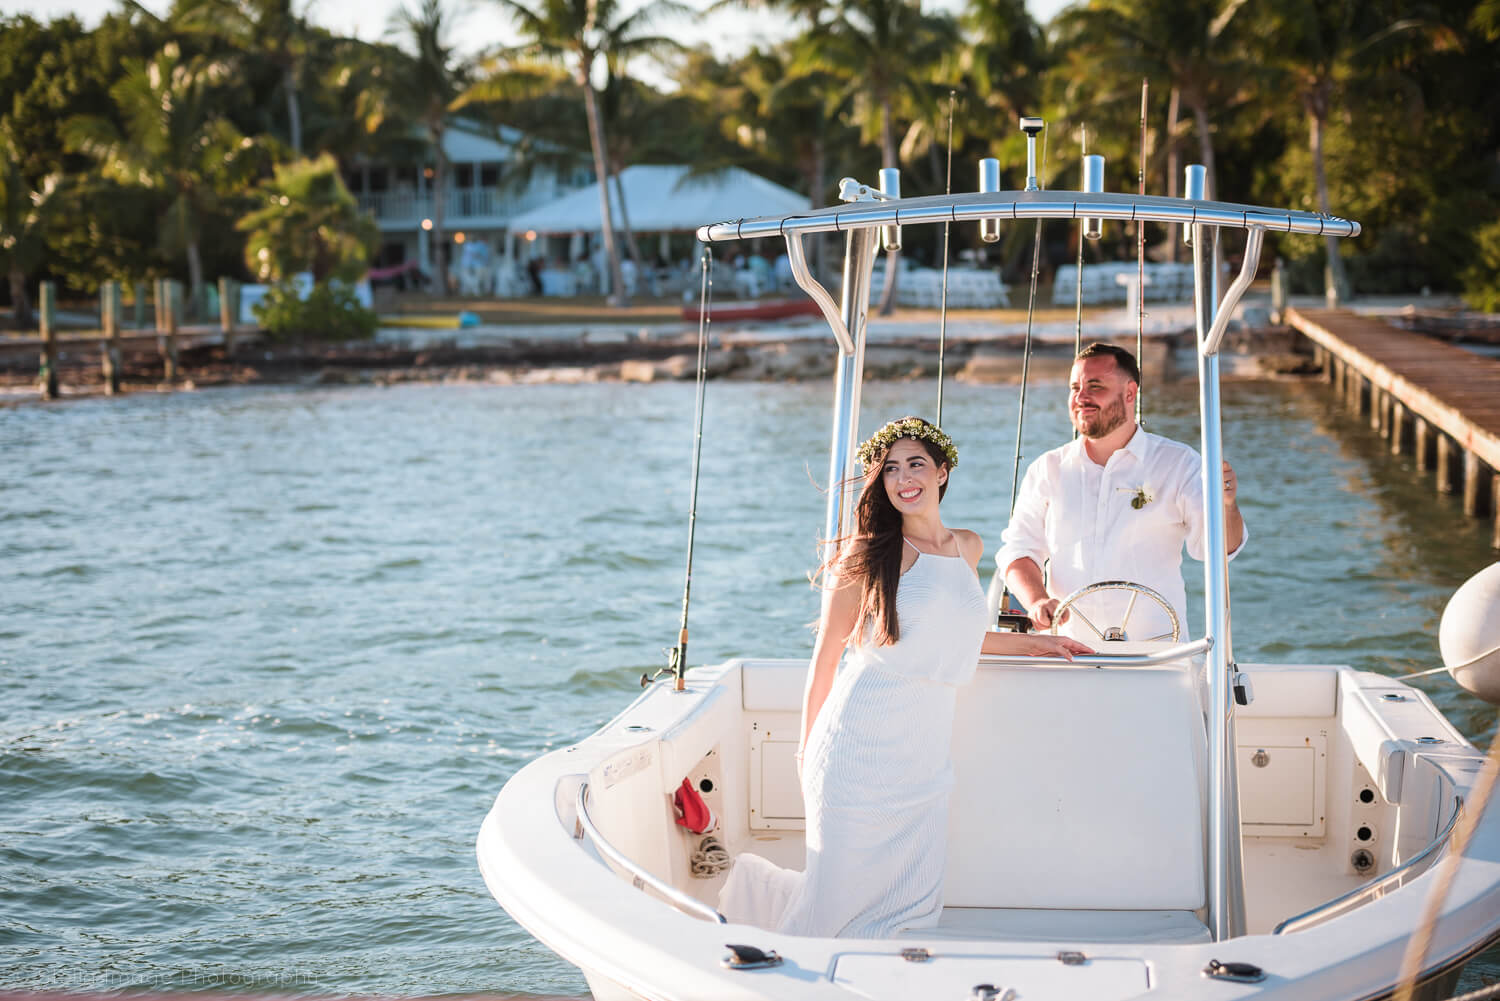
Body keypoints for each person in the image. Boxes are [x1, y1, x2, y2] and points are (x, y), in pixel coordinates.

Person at [719, 417, 1092, 938]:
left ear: (942, 472)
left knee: (909, 906)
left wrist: (1038, 642)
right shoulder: (870, 553)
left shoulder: (968, 547)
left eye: (915, 463)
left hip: (921, 757)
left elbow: (955, 635)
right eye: (890, 469)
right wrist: (805, 751)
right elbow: (826, 655)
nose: (903, 478)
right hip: (855, 748)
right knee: (833, 900)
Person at [997, 342, 1247, 644]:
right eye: (1074, 387)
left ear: (1130, 393)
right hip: (1069, 654)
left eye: (1095, 386)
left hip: (1157, 657)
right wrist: (1037, 600)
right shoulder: (1047, 469)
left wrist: (1227, 506)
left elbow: (1217, 550)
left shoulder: (1179, 463)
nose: (1080, 397)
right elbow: (1019, 550)